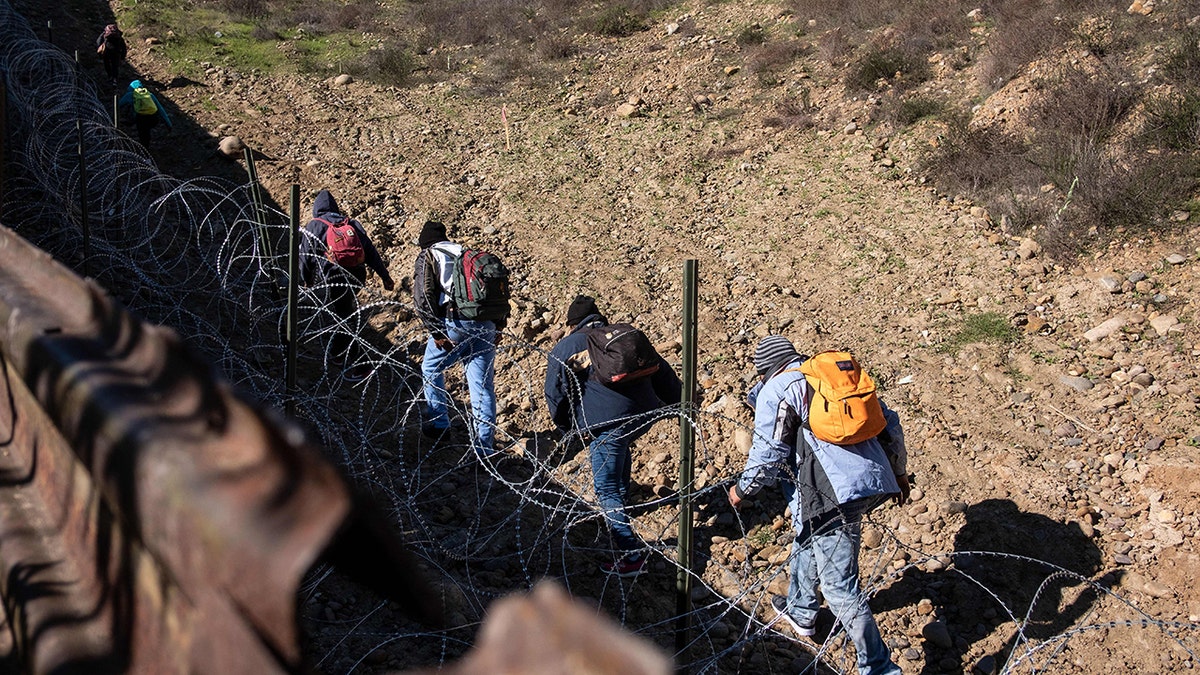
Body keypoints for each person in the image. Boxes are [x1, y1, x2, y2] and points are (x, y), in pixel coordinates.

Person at [727, 335, 908, 675]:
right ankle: (800, 610)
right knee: (808, 537)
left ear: (764, 368)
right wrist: (898, 472)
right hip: (870, 478)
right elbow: (889, 423)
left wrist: (743, 489)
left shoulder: (778, 388)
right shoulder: (830, 378)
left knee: (840, 586)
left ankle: (881, 668)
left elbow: (768, 452)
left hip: (830, 493)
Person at [544, 296, 681, 576]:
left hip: (608, 421)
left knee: (604, 487)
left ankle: (631, 554)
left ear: (572, 323)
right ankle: (623, 505)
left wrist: (567, 429)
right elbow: (662, 370)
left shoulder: (570, 345)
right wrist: (680, 403)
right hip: (644, 414)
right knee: (619, 446)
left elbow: (555, 392)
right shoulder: (624, 334)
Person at [413, 220, 504, 458]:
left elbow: (424, 297)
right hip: (486, 324)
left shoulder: (429, 255)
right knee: (481, 386)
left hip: (455, 321)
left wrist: (436, 332)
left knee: (431, 368)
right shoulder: (466, 253)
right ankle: (484, 449)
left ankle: (440, 424)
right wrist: (499, 327)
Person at [299, 189, 395, 382]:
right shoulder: (350, 223)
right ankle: (337, 352)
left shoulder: (315, 225)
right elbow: (370, 251)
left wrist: (305, 279)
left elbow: (305, 256)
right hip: (357, 276)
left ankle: (361, 364)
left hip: (334, 276)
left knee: (342, 317)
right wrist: (385, 276)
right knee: (344, 312)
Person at [118, 79, 172, 148]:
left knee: (143, 134)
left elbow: (119, 104)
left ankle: (145, 150)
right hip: (153, 118)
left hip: (141, 118)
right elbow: (160, 109)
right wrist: (168, 124)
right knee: (147, 131)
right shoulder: (149, 94)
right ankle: (147, 146)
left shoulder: (130, 95)